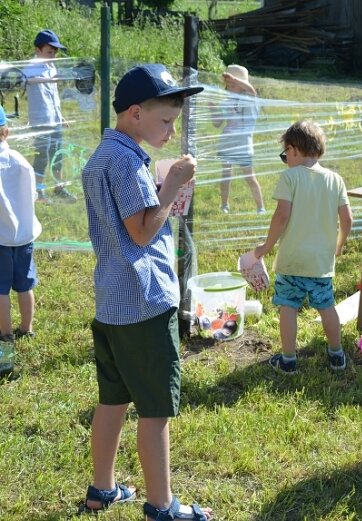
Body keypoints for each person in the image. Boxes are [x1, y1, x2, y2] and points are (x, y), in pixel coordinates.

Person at [80, 64, 212, 521]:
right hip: (144, 300)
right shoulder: (127, 160)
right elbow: (140, 232)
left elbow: (125, 221)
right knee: (155, 409)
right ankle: (163, 506)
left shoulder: (104, 155)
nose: (171, 130)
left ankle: (103, 489)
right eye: (165, 121)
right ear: (136, 113)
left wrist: (159, 188)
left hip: (112, 300)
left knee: (112, 400)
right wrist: (172, 184)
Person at [254, 119, 353, 374]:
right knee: (326, 306)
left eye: (284, 154)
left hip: (292, 259)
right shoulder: (336, 179)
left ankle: (288, 359)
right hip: (321, 261)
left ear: (294, 149)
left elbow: (281, 216)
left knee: (289, 307)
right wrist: (339, 246)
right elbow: (347, 219)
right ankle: (337, 355)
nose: (284, 159)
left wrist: (266, 246)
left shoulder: (289, 177)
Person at [0, 105, 41, 343]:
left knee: (1, 289)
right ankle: (27, 328)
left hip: (1, 239)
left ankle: (5, 334)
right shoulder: (20, 161)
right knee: (25, 285)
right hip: (24, 236)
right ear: (7, 132)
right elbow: (32, 195)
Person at [23, 30, 76, 202]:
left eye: (54, 53)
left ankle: (58, 187)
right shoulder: (31, 65)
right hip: (40, 121)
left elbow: (54, 96)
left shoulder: (51, 66)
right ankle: (37, 190)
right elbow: (27, 80)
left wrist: (61, 116)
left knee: (57, 154)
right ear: (37, 50)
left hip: (54, 119)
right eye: (49, 52)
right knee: (42, 155)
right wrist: (46, 80)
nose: (53, 56)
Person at [211, 64, 265, 214]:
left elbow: (251, 90)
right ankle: (224, 205)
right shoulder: (225, 102)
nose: (231, 86)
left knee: (249, 176)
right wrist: (212, 110)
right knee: (226, 174)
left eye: (234, 83)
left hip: (243, 144)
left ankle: (260, 207)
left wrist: (235, 79)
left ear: (243, 84)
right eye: (229, 84)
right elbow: (217, 123)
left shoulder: (250, 100)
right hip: (227, 142)